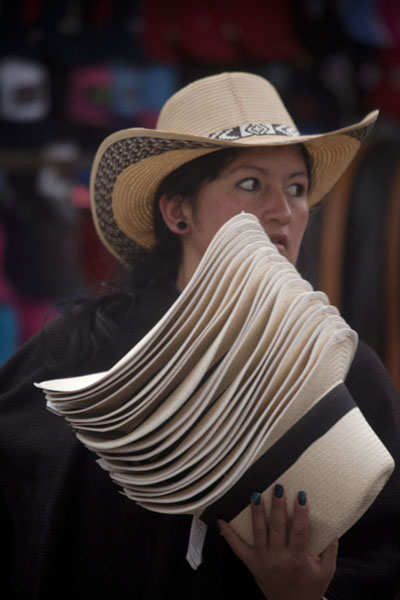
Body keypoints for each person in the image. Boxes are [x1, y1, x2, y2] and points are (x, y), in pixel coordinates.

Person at [0, 72, 399, 600]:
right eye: (251, 183)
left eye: (296, 188)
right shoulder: (82, 349)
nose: (283, 210)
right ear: (177, 210)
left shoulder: (344, 367)